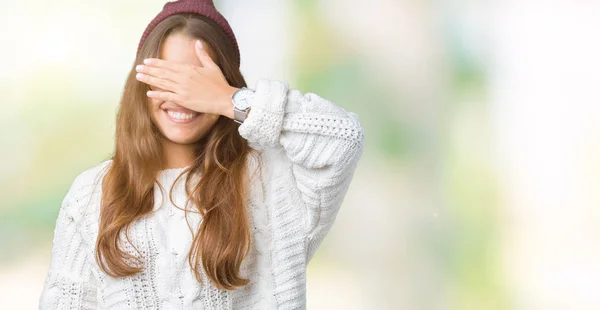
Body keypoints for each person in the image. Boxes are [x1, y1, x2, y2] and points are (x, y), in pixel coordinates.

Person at [38, 0, 364, 309]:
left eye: (197, 82)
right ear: (140, 83)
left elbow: (342, 138)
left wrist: (229, 101)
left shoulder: (274, 182)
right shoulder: (91, 193)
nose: (183, 98)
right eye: (169, 79)